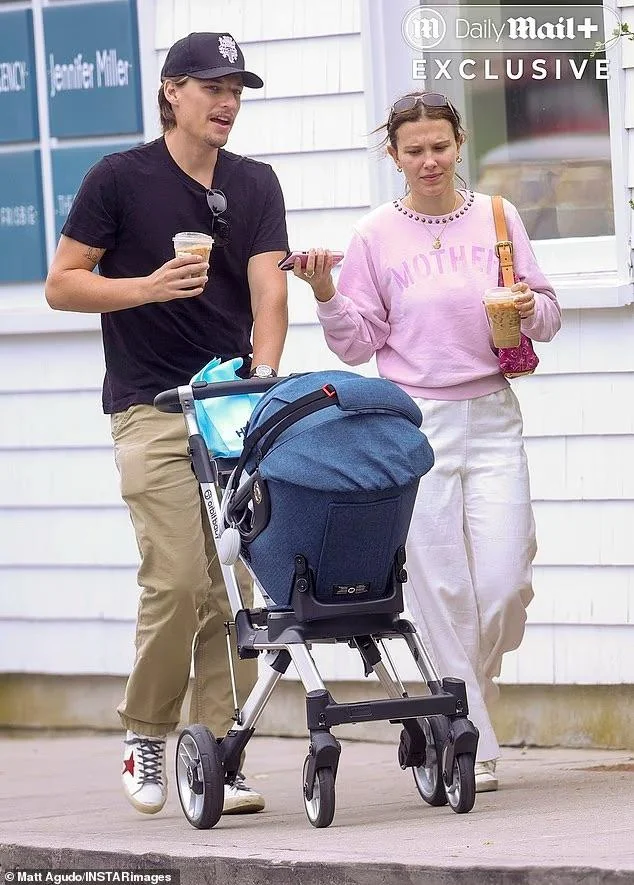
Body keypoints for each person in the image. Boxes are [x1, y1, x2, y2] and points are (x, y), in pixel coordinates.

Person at [45, 32, 289, 815]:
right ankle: (146, 731)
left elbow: (270, 292)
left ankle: (220, 753)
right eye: (213, 87)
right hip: (148, 408)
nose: (227, 103)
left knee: (231, 591)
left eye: (236, 90)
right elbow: (62, 283)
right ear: (171, 91)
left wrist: (262, 377)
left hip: (228, 410)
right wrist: (146, 287)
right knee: (180, 580)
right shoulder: (118, 178)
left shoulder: (254, 184)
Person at [293, 91, 561, 793]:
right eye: (414, 150)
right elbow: (359, 343)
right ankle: (471, 733)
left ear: (459, 143)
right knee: (441, 587)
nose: (429, 160)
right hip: (417, 424)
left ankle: (470, 696)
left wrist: (530, 306)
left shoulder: (498, 216)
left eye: (440, 146)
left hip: (494, 415)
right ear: (394, 155)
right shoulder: (375, 235)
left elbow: (549, 315)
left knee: (504, 583)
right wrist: (325, 292)